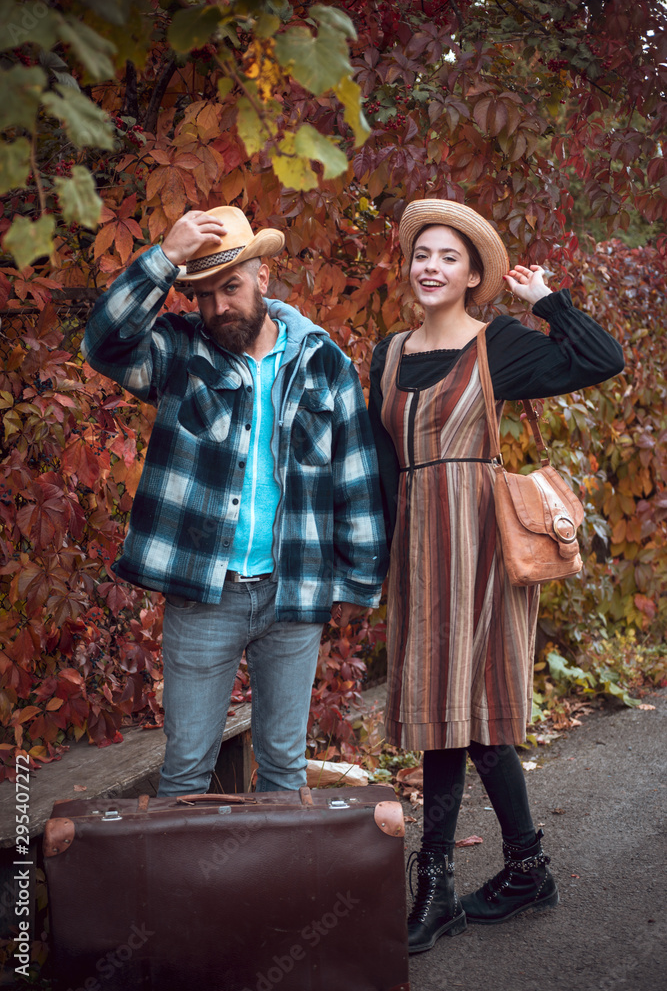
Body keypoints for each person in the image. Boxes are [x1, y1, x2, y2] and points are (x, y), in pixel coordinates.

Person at [368, 199, 624, 953]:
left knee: (464, 714)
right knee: (447, 712)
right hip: (417, 552)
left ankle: (442, 887)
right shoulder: (385, 354)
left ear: (473, 273)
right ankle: (522, 869)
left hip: (479, 546)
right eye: (421, 254)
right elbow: (380, 468)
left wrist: (547, 301)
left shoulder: (497, 344)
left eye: (448, 257)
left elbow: (601, 359)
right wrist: (376, 562)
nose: (430, 267)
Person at [83, 205, 388, 796]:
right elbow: (104, 344)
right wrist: (163, 259)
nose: (219, 306)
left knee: (283, 770)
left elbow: (355, 475)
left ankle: (270, 891)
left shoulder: (324, 362)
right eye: (204, 294)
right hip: (205, 591)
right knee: (186, 770)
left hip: (293, 590)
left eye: (231, 286)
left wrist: (357, 585)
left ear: (262, 279)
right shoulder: (180, 352)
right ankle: (183, 892)